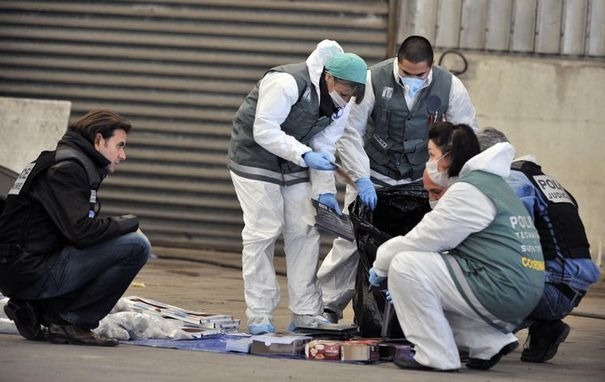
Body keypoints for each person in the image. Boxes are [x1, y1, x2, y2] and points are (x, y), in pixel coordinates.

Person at [318, 35, 478, 323]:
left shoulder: (450, 86)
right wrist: (361, 177)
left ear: (430, 67)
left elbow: (464, 134)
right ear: (397, 62)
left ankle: (416, 308)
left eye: (420, 74)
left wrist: (445, 177)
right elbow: (349, 131)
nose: (412, 79)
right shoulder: (372, 80)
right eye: (406, 73)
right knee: (351, 240)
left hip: (419, 181)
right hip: (374, 174)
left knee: (421, 242)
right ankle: (328, 305)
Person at [368, 122, 545, 371]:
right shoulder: (491, 184)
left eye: (431, 155)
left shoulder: (468, 191)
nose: (428, 162)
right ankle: (489, 342)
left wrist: (382, 263)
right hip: (520, 286)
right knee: (434, 284)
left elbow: (422, 240)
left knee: (405, 264)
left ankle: (435, 355)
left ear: (449, 157)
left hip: (505, 288)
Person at [227, 40, 368, 334]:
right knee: (263, 231)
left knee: (304, 230)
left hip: (294, 162)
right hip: (255, 158)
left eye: (352, 95)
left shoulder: (341, 104)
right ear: (328, 78)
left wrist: (325, 191)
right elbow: (264, 129)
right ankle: (260, 314)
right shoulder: (287, 83)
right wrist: (304, 155)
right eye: (343, 93)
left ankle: (306, 312)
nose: (346, 100)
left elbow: (326, 146)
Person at [0, 110, 151, 346]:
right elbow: (81, 232)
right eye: (119, 146)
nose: (123, 155)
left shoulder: (63, 161)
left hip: (24, 267)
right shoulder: (67, 169)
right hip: (29, 271)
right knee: (136, 245)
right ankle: (72, 322)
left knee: (117, 240)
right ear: (98, 140)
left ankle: (39, 308)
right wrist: (129, 222)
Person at [476, 127, 600, 363]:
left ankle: (492, 332)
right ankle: (546, 327)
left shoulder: (512, 181)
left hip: (552, 288)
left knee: (469, 292)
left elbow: (511, 244)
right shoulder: (545, 180)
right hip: (571, 288)